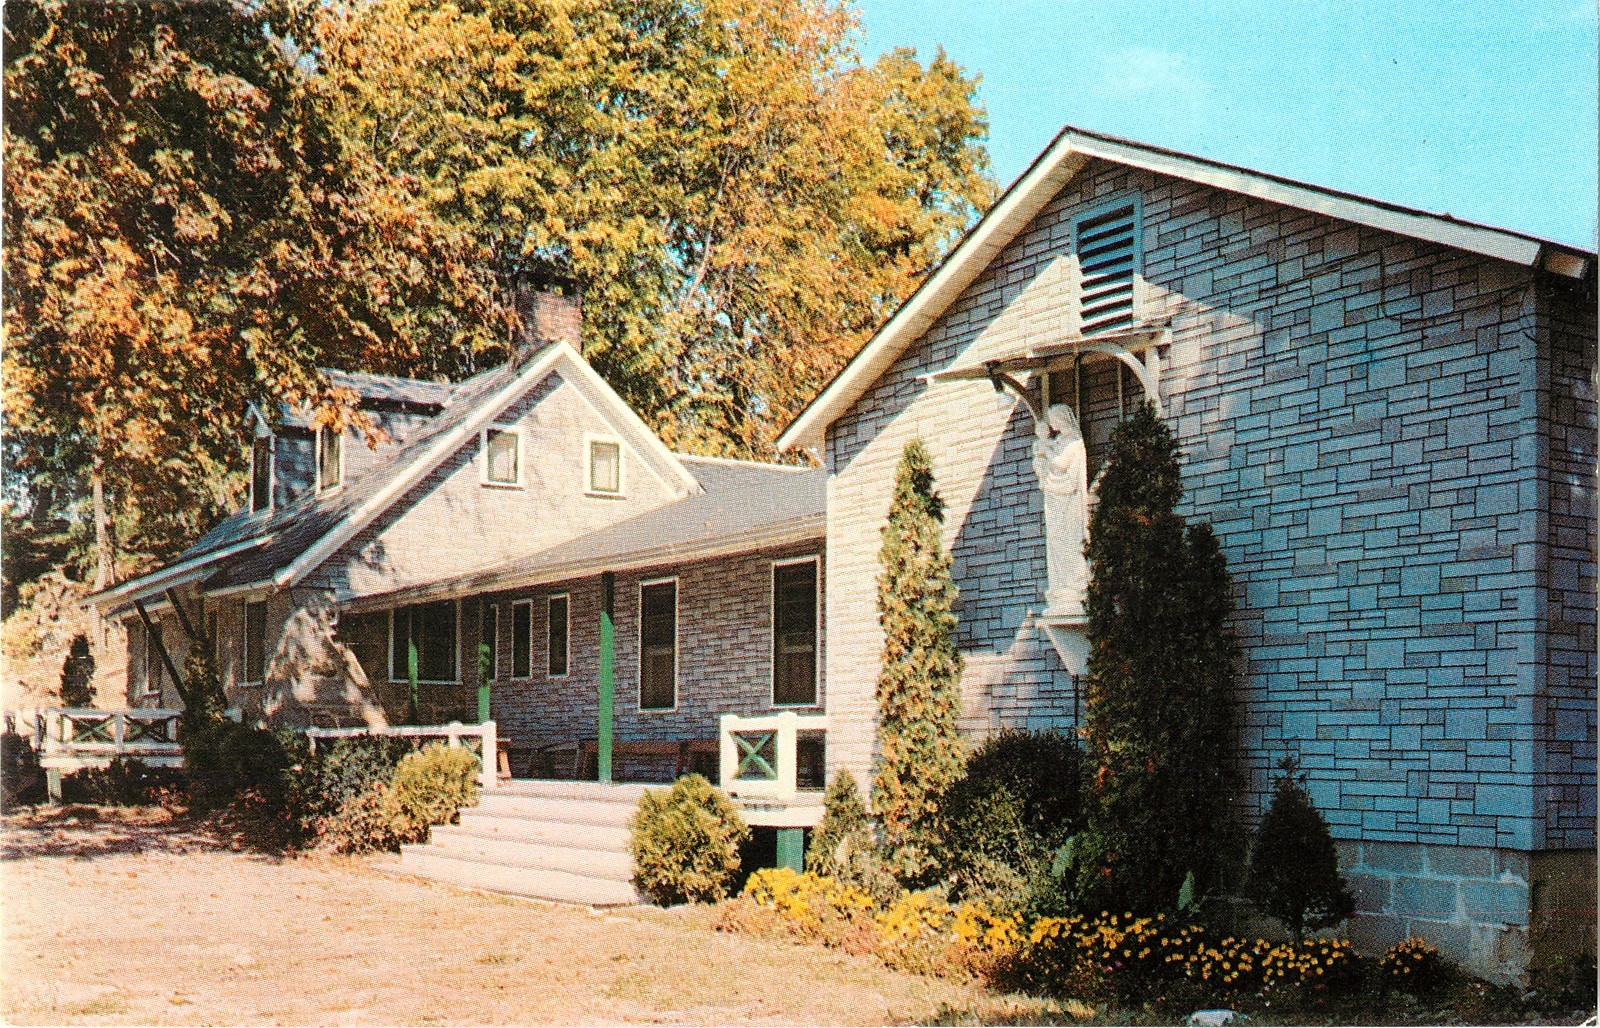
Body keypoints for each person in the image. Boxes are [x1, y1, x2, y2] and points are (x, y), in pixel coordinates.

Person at [1032, 403, 1090, 616]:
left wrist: (1045, 449)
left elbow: (1060, 464)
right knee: (1056, 543)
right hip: (1055, 500)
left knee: (1071, 542)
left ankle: (1075, 588)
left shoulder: (1075, 443)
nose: (1052, 425)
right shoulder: (1057, 442)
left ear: (1063, 419)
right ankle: (1060, 590)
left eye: (1055, 420)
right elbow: (1047, 466)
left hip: (1070, 502)